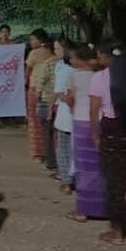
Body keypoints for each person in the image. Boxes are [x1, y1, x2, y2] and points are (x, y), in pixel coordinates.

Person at [89, 38, 126, 244]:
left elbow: (94, 112)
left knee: (113, 182)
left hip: (112, 135)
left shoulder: (98, 78)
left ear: (105, 56)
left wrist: (95, 136)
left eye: (98, 55)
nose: (97, 58)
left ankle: (118, 231)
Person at [66, 44, 104, 221]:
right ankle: (104, 208)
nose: (71, 61)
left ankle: (83, 209)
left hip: (81, 122)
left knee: (83, 167)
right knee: (100, 165)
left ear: (80, 59)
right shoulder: (101, 75)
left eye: (73, 58)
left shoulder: (73, 76)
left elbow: (70, 99)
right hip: (101, 121)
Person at [25, 28, 52, 164]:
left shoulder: (34, 53)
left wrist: (26, 83)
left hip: (35, 90)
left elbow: (28, 72)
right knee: (47, 122)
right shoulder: (52, 53)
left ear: (39, 40)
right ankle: (50, 152)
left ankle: (38, 153)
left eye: (32, 39)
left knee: (35, 122)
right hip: (50, 92)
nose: (30, 42)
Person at [32, 34, 58, 170]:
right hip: (61, 104)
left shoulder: (46, 65)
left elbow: (39, 87)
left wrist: (37, 101)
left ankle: (51, 162)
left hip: (46, 102)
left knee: (47, 132)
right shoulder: (65, 64)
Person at [52, 38, 75, 193]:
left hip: (66, 112)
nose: (55, 52)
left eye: (58, 49)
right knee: (73, 150)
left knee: (63, 148)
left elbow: (59, 92)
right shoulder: (78, 69)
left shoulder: (64, 69)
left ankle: (67, 182)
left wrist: (51, 107)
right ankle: (71, 179)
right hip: (78, 116)